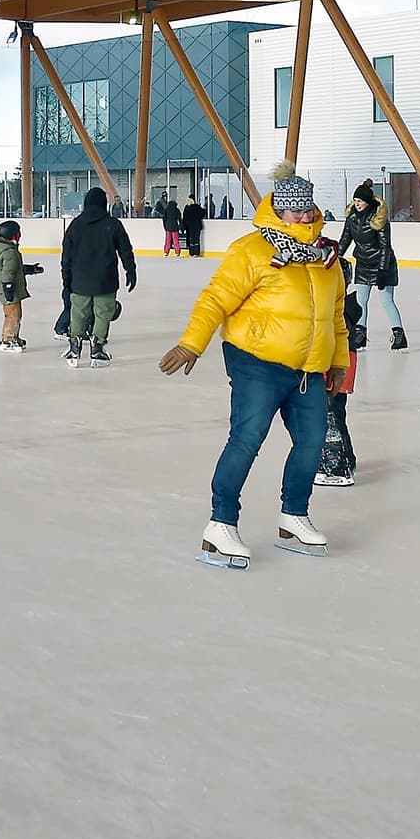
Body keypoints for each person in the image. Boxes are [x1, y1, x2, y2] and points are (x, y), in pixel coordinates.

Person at [158, 161, 347, 569]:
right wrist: (193, 343)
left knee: (313, 442)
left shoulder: (326, 257)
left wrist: (337, 362)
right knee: (247, 439)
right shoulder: (253, 250)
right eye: (293, 209)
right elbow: (216, 299)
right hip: (256, 363)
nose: (302, 215)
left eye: (306, 208)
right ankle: (220, 523)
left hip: (308, 369)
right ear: (278, 209)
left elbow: (336, 316)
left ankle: (293, 516)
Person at [59, 186, 136, 368]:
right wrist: (130, 271)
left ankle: (74, 348)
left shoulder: (75, 225)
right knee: (102, 314)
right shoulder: (113, 224)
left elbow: (66, 256)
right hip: (105, 280)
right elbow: (126, 250)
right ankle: (97, 349)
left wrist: (66, 280)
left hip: (80, 280)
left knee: (78, 314)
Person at [340, 179, 406, 351]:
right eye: (355, 201)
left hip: (382, 264)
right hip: (363, 263)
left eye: (360, 201)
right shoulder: (352, 217)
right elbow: (345, 240)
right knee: (361, 301)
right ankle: (360, 335)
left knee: (386, 300)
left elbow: (385, 247)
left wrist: (383, 271)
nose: (356, 204)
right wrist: (336, 257)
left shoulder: (379, 219)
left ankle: (399, 335)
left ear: (367, 202)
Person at [317, 262, 364, 488]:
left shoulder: (337, 311)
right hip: (342, 366)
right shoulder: (344, 307)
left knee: (330, 414)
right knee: (336, 413)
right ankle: (347, 458)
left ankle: (338, 466)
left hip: (337, 367)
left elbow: (334, 341)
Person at [0, 219, 43, 353]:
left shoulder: (7, 250)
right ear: (14, 235)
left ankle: (14, 337)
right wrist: (8, 287)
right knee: (13, 315)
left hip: (10, 288)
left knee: (16, 314)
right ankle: (7, 340)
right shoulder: (10, 252)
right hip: (10, 290)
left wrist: (30, 269)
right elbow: (8, 272)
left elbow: (15, 268)